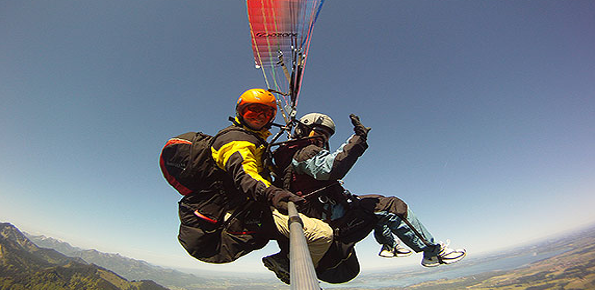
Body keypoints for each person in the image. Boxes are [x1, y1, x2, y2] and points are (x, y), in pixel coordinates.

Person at [272, 112, 466, 274]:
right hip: (328, 219)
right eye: (318, 133)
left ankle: (389, 245)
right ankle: (432, 253)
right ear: (303, 130)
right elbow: (332, 168)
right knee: (389, 206)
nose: (321, 139)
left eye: (326, 136)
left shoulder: (291, 153)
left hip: (328, 210)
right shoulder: (305, 152)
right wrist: (358, 139)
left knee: (376, 201)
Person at [210, 89, 333, 282]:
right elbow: (245, 174)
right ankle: (296, 275)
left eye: (266, 113)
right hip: (241, 209)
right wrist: (273, 194)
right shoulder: (235, 140)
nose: (259, 117)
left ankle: (286, 261)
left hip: (254, 202)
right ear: (240, 112)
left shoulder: (255, 139)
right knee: (323, 234)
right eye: (253, 111)